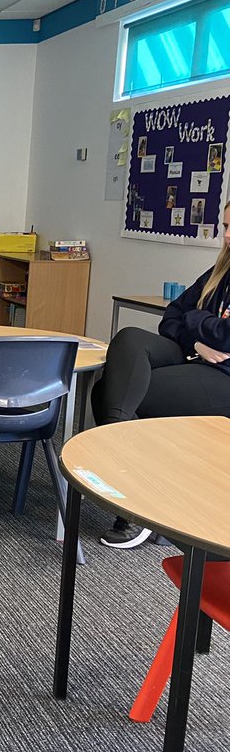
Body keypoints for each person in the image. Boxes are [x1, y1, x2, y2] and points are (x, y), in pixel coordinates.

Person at [90, 204, 230, 549]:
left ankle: (136, 507)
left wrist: (196, 321)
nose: (226, 236)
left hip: (223, 376)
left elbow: (225, 336)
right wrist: (197, 336)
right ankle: (136, 495)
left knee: (120, 392)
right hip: (194, 354)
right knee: (129, 340)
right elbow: (170, 317)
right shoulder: (220, 270)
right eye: (226, 225)